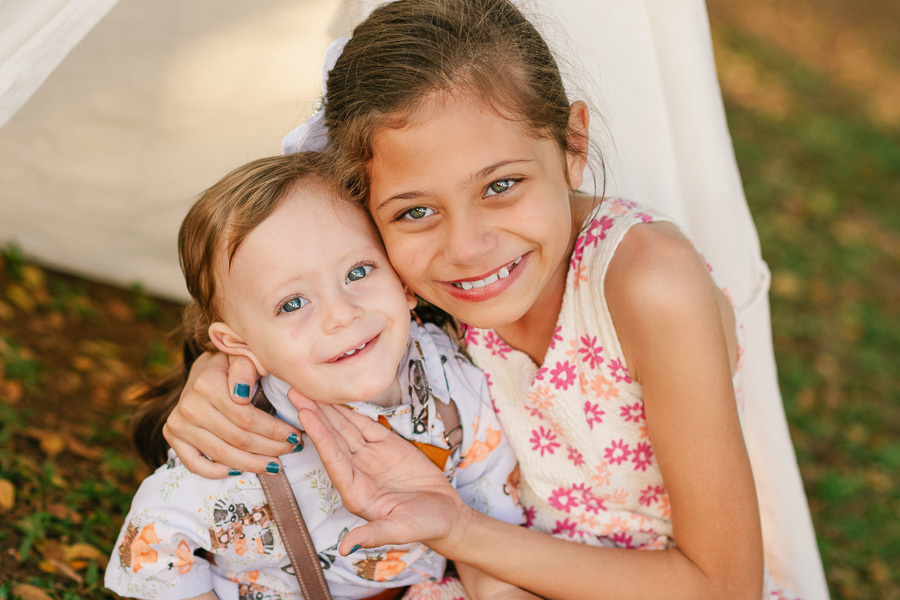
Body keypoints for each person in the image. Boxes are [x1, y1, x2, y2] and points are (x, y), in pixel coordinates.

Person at [163, 0, 801, 597]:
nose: (467, 248)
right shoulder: (410, 277)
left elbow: (724, 586)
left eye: (501, 185)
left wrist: (459, 531)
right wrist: (227, 370)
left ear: (572, 145)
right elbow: (291, 291)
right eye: (415, 210)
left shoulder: (649, 283)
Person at [105, 152, 532, 600]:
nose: (342, 315)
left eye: (358, 272)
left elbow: (486, 539)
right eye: (292, 304)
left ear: (403, 282)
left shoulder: (450, 381)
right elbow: (150, 547)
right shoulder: (244, 442)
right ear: (241, 346)